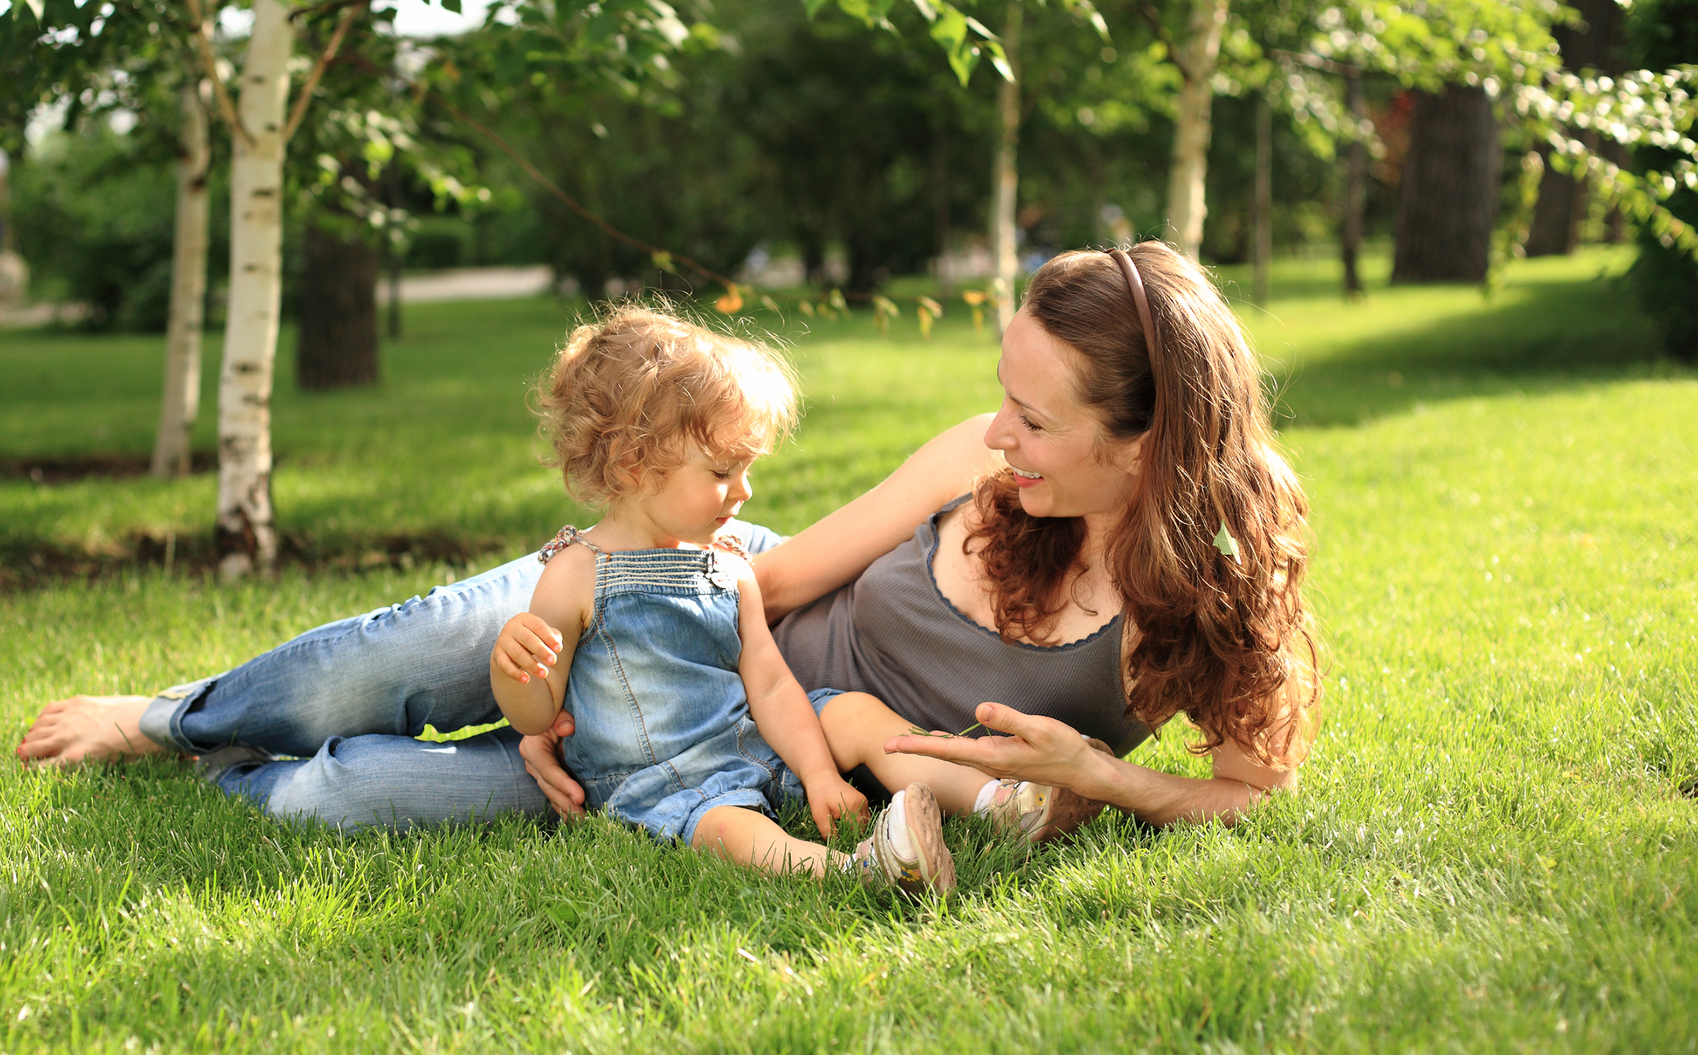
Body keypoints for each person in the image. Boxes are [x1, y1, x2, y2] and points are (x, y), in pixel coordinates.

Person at [17, 242, 1320, 840]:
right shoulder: (980, 461)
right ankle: (171, 715)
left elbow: (1250, 787)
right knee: (375, 670)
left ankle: (232, 769)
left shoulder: (1202, 588)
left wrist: (1098, 773)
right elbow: (780, 573)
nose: (996, 432)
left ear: (1142, 445)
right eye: (1001, 393)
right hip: (689, 608)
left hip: (746, 763)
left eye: (1033, 419)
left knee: (352, 796)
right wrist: (568, 648)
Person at [487, 306, 962, 895]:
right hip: (661, 782)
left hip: (745, 746)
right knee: (731, 829)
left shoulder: (730, 565)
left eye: (747, 469)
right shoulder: (576, 574)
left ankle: (995, 799)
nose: (745, 490)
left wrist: (818, 774)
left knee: (852, 713)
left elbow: (768, 683)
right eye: (722, 471)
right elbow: (537, 717)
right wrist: (514, 669)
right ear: (634, 465)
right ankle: (857, 872)